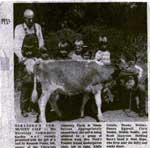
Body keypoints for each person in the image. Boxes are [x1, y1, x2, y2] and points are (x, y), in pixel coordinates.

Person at [14, 9, 46, 117]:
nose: (31, 20)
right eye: (28, 18)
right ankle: (24, 108)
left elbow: (41, 42)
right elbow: (16, 46)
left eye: (32, 18)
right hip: (25, 59)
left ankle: (33, 107)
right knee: (26, 85)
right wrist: (23, 58)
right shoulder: (19, 28)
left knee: (37, 84)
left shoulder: (37, 27)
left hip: (36, 58)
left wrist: (39, 55)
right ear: (24, 18)